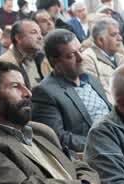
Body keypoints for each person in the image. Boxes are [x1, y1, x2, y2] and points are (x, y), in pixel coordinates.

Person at [31, 28, 113, 156]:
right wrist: (101, 143)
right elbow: (58, 137)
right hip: (94, 153)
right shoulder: (44, 92)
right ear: (55, 62)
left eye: (81, 50)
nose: (81, 58)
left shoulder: (91, 79)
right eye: (71, 55)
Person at [82, 16, 124, 96]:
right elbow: (97, 93)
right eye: (114, 35)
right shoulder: (87, 58)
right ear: (100, 40)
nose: (120, 38)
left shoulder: (122, 58)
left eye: (119, 34)